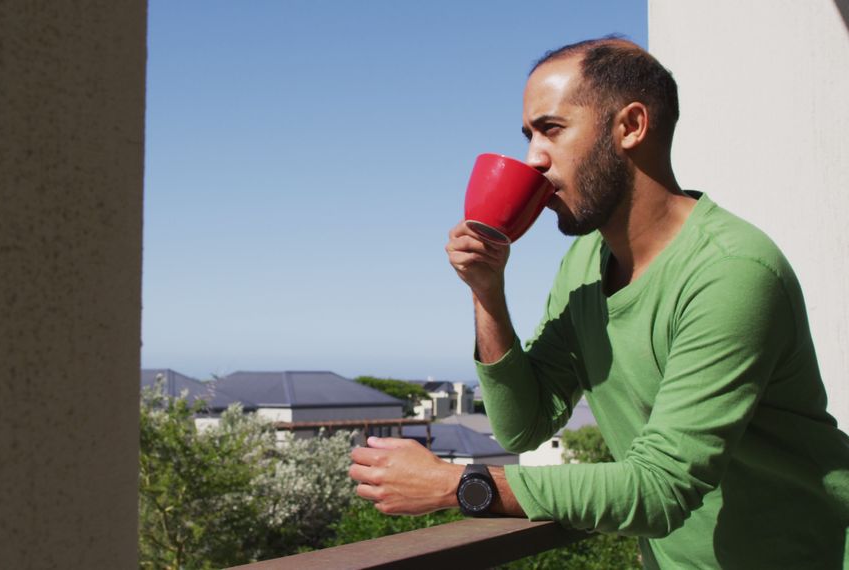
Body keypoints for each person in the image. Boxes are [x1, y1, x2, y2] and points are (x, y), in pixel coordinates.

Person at [348, 37, 849, 568]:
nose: (532, 158)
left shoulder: (731, 272)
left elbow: (659, 490)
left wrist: (457, 485)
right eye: (529, 135)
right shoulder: (587, 262)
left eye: (552, 130)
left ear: (630, 127)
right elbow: (524, 424)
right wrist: (487, 291)